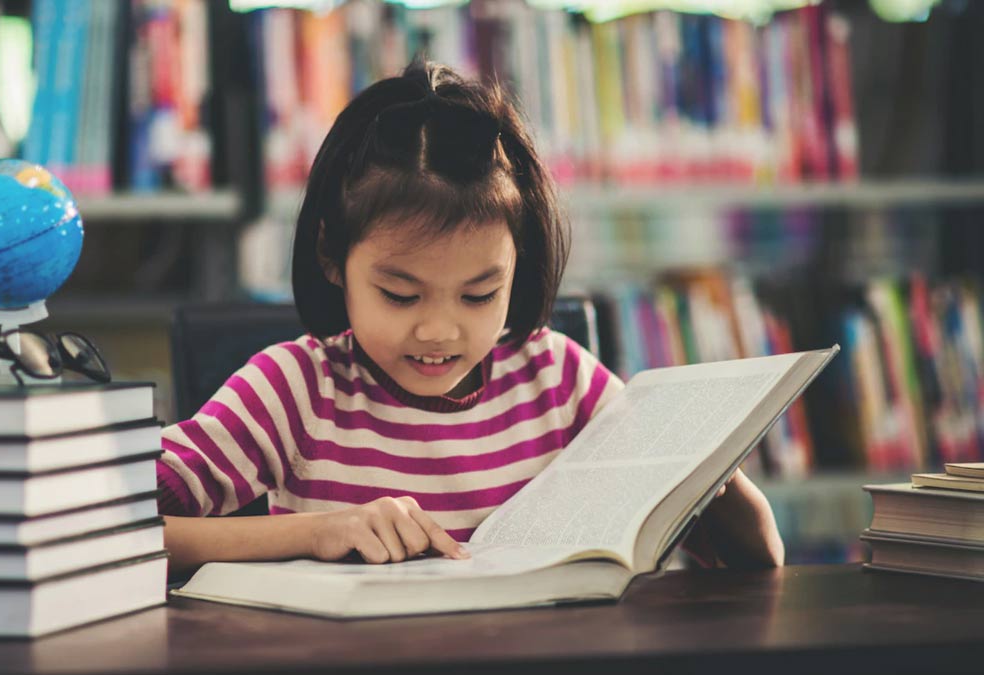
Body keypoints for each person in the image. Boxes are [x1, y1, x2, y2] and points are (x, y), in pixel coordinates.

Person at [158, 60, 784, 575]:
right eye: (400, 295)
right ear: (331, 256)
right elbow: (107, 531)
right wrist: (314, 533)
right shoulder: (296, 389)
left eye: (481, 295)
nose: (439, 331)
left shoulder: (559, 380)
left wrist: (717, 485)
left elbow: (750, 570)